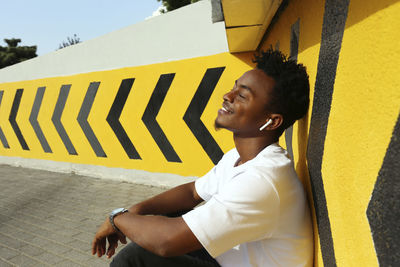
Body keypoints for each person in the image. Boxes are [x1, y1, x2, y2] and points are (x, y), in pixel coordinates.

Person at [92, 48, 313, 267]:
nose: (228, 96)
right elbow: (192, 192)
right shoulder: (240, 157)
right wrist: (135, 211)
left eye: (242, 96)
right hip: (227, 259)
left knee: (137, 258)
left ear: (272, 121)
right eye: (234, 88)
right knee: (159, 226)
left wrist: (117, 218)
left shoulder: (263, 179)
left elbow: (166, 241)